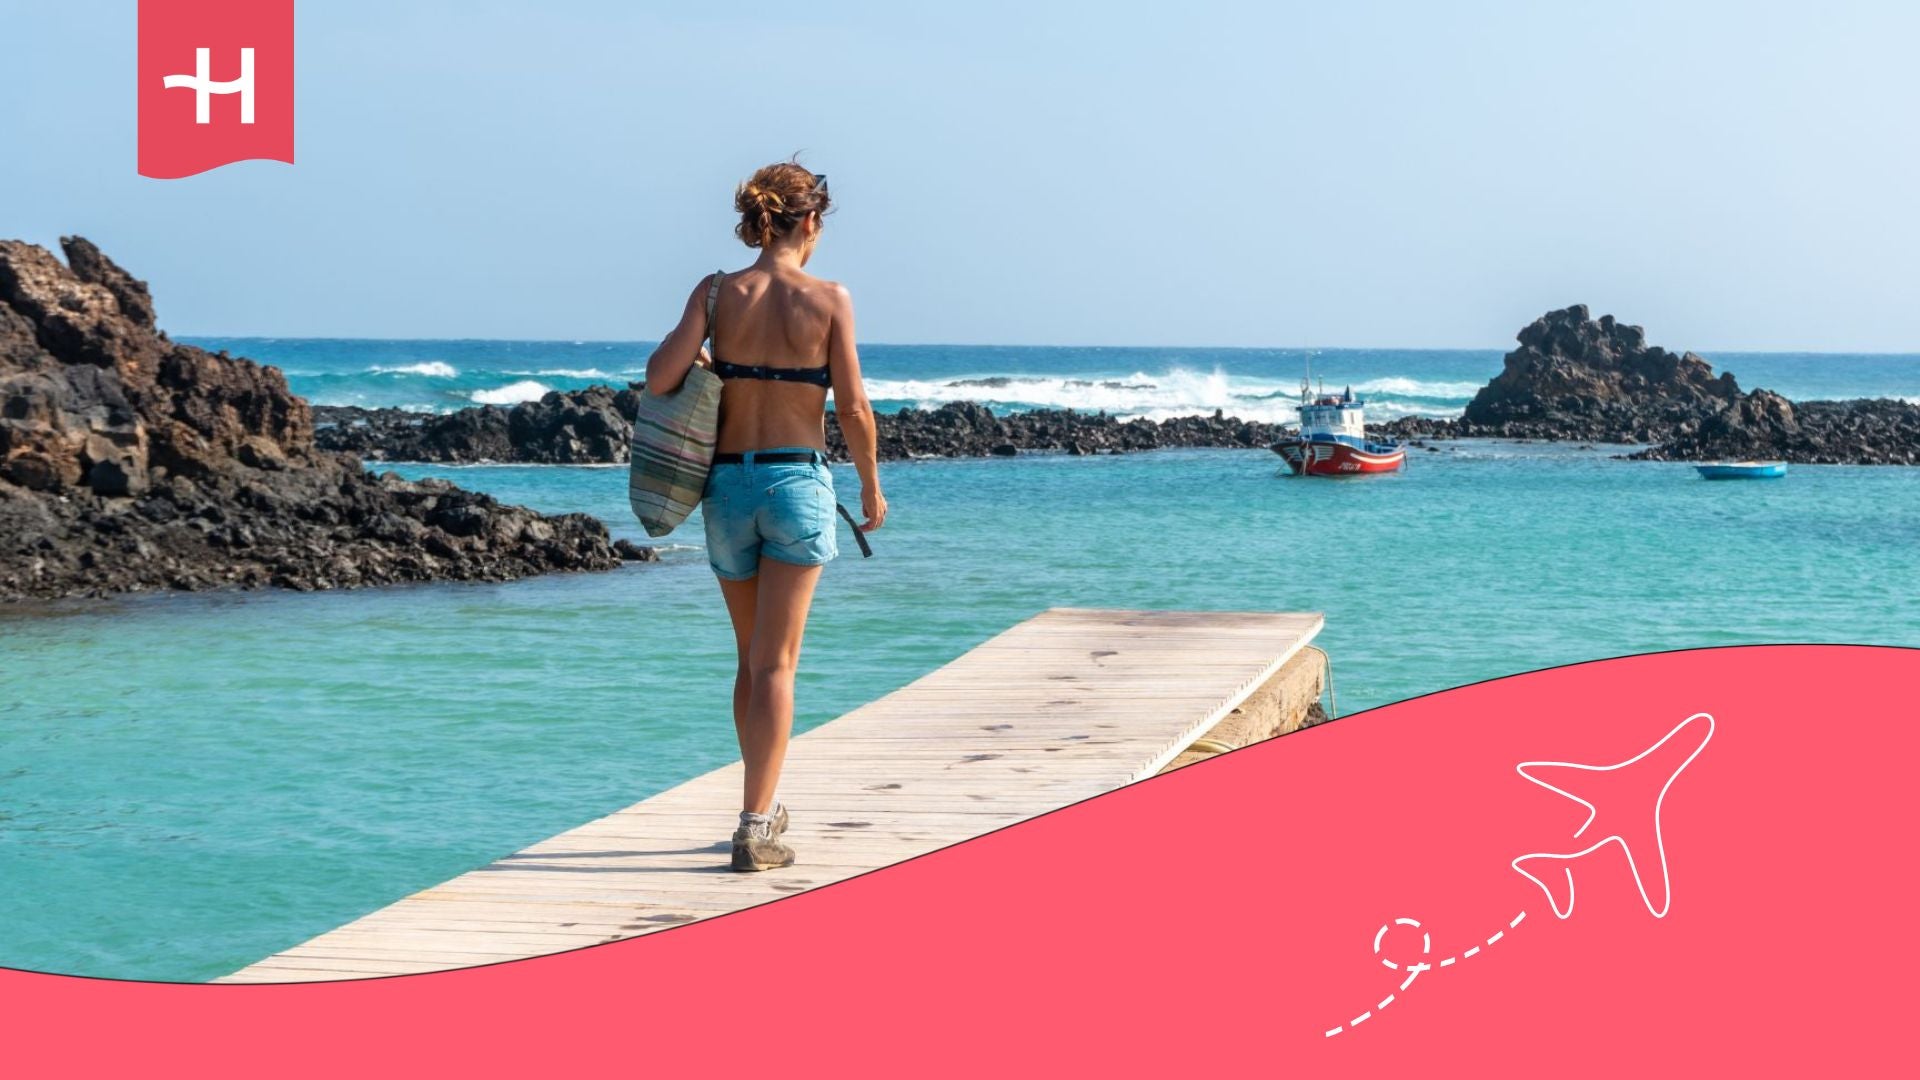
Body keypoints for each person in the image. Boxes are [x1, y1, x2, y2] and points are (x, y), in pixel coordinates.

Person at [644, 161, 886, 871]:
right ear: (810, 220)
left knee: (751, 661)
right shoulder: (829, 298)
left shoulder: (717, 292)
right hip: (795, 483)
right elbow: (853, 407)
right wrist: (870, 484)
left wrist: (709, 347)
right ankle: (755, 825)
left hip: (727, 490)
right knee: (778, 664)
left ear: (761, 220)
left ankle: (759, 805)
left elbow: (660, 377)